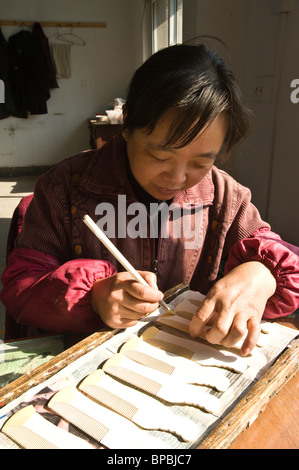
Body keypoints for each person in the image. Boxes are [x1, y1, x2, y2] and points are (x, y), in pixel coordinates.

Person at [1, 44, 298, 355]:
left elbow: (280, 255)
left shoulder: (225, 197)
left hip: (180, 366)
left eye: (200, 163)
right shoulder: (65, 189)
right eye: (159, 155)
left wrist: (263, 276)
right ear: (127, 124)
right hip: (93, 369)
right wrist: (93, 297)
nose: (177, 177)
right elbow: (21, 286)